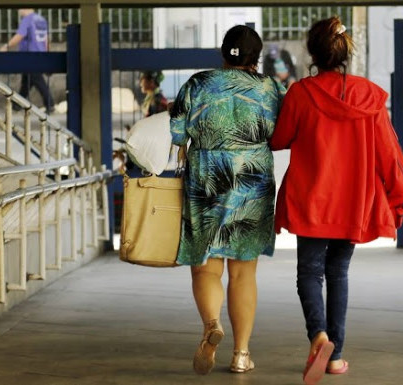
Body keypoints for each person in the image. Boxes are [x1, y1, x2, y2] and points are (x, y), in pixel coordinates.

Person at [270, 17, 403, 385]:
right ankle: (336, 356)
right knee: (338, 273)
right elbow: (389, 154)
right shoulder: (370, 96)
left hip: (312, 200)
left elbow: (280, 139)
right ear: (346, 51)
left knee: (309, 273)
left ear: (313, 53)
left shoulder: (301, 94)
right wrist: (400, 198)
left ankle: (318, 335)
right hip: (353, 201)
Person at [170, 25, 285, 375]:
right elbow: (282, 134)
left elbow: (177, 131)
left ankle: (211, 324)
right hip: (252, 177)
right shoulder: (271, 88)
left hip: (206, 174)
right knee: (243, 271)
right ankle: (241, 353)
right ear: (257, 56)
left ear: (223, 53)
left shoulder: (197, 84)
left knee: (206, 265)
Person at [0, 9, 54, 113]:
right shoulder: (41, 19)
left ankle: (50, 103)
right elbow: (46, 38)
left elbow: (20, 35)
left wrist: (7, 46)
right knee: (27, 82)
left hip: (29, 55)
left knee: (37, 79)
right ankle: (17, 104)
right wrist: (47, 53)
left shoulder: (27, 20)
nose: (19, 10)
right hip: (40, 54)